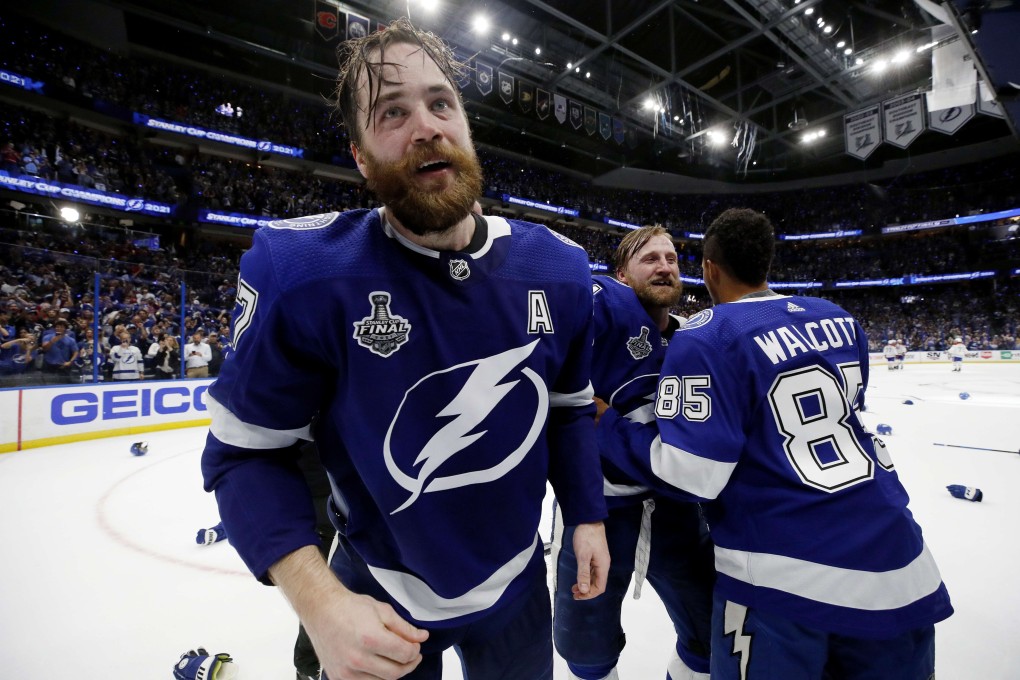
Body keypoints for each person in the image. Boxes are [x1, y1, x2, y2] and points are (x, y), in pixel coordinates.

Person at [201, 18, 609, 680]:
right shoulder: (303, 272)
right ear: (361, 158)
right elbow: (244, 455)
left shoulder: (557, 267)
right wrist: (322, 604)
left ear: (466, 127)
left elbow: (565, 408)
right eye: (393, 113)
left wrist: (587, 515)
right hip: (377, 591)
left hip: (517, 585)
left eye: (440, 102)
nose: (427, 125)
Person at [595, 208, 953, 679]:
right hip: (902, 560)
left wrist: (608, 426)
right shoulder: (840, 319)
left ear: (708, 269)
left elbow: (691, 471)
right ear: (767, 262)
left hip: (782, 572)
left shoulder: (705, 336)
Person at [553, 226, 713, 680]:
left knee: (709, 634)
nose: (665, 266)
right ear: (621, 275)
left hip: (678, 514)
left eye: (672, 259)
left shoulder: (697, 340)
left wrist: (607, 423)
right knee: (587, 652)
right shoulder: (602, 308)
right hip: (600, 513)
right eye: (650, 259)